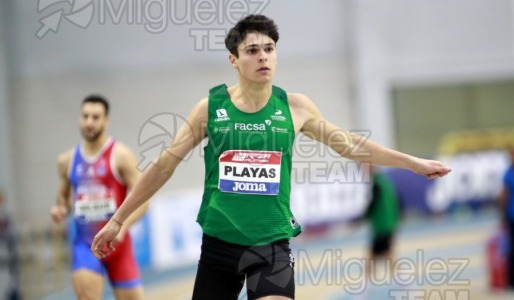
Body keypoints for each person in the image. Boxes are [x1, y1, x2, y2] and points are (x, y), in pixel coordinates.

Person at [91, 15, 451, 300]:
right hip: (219, 245)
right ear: (233, 59)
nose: (263, 56)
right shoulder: (209, 108)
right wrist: (119, 220)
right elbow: (163, 166)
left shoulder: (295, 107)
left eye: (269, 48)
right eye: (252, 51)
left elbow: (352, 146)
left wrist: (414, 163)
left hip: (272, 245)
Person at [50, 95, 148, 300]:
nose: (89, 122)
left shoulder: (121, 155)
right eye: (85, 116)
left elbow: (144, 199)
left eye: (95, 117)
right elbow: (64, 200)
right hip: (86, 244)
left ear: (106, 120)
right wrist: (60, 209)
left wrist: (123, 226)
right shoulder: (67, 160)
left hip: (118, 245)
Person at [364, 168, 401, 289]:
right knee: (388, 261)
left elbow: (372, 205)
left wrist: (362, 217)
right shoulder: (384, 182)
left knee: (373, 263)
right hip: (388, 226)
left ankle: (362, 295)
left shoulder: (377, 184)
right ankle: (409, 288)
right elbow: (398, 202)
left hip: (382, 228)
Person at [0, 189, 21, 300]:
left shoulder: (7, 215)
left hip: (9, 254)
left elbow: (12, 233)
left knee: (12, 283)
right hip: (4, 253)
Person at [498, 145, 514, 289]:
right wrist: (502, 217)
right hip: (512, 216)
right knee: (511, 249)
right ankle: (510, 281)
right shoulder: (508, 172)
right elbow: (503, 196)